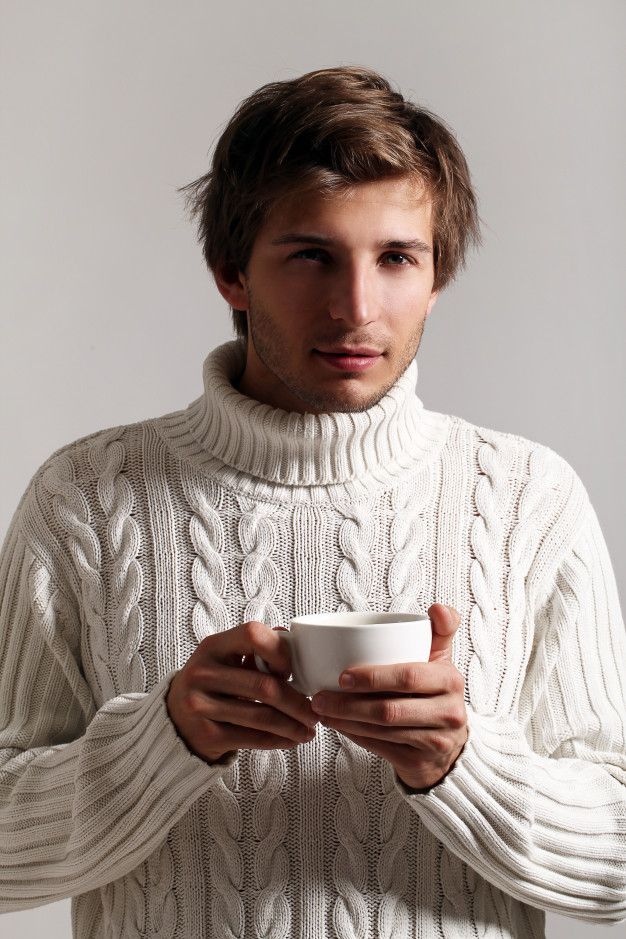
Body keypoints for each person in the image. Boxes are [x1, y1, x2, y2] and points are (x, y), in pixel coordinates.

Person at [0, 65, 624, 939]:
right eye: (311, 256)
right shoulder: (87, 498)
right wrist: (164, 739)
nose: (356, 307)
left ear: (436, 276)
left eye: (397, 258)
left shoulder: (530, 500)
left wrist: (463, 762)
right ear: (231, 272)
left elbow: (618, 872)